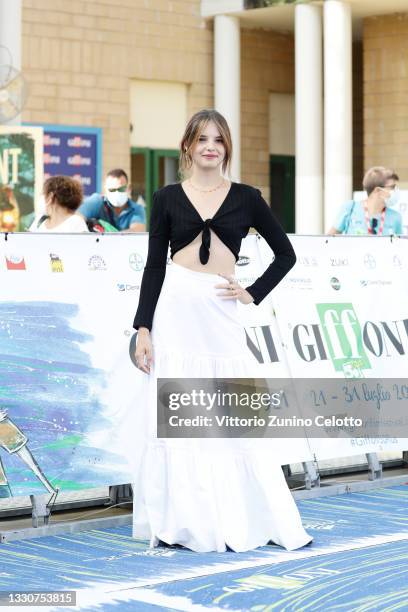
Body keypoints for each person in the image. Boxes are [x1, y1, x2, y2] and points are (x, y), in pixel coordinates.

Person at [131, 109, 312, 553]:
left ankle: (242, 518)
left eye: (218, 139)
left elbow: (285, 255)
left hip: (221, 311)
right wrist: (142, 327)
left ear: (226, 147)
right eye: (201, 139)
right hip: (176, 312)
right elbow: (155, 266)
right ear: (188, 146)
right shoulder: (167, 197)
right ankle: (186, 523)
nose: (210, 146)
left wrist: (252, 292)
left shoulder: (248, 197)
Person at [327, 166, 402, 236]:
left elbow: (400, 247)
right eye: (392, 187)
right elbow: (328, 240)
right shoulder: (350, 208)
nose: (396, 191)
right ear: (378, 190)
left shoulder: (396, 217)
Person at [78, 168, 146, 232]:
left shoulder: (137, 209)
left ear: (129, 188)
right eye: (112, 190)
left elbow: (136, 232)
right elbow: (77, 219)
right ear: (105, 189)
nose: (117, 192)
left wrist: (109, 237)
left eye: (121, 189)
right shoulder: (96, 201)